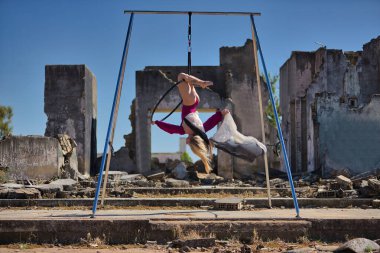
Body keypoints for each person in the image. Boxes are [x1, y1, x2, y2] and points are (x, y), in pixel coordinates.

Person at [151, 73, 229, 173]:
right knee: (181, 76)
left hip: (195, 101)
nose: (187, 143)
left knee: (187, 80)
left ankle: (201, 83)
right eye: (189, 144)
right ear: (191, 140)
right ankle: (202, 83)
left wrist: (221, 114)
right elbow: (170, 129)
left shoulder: (201, 131)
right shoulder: (184, 130)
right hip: (189, 102)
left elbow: (211, 122)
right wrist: (157, 122)